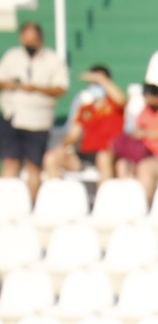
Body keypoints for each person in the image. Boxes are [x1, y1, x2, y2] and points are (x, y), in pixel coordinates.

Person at [0, 21, 68, 200]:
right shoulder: (12, 56)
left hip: (38, 120)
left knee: (33, 166)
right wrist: (10, 84)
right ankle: (8, 204)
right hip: (12, 116)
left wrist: (36, 88)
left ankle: (31, 205)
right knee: (10, 162)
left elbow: (61, 88)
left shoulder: (52, 59)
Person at [43, 66, 125, 183]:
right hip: (86, 153)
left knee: (103, 158)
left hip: (109, 153)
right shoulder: (86, 108)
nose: (95, 85)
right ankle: (57, 196)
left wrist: (101, 79)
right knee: (51, 158)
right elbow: (74, 134)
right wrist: (63, 146)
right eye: (93, 82)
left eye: (98, 82)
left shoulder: (115, 105)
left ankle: (103, 199)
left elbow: (121, 99)